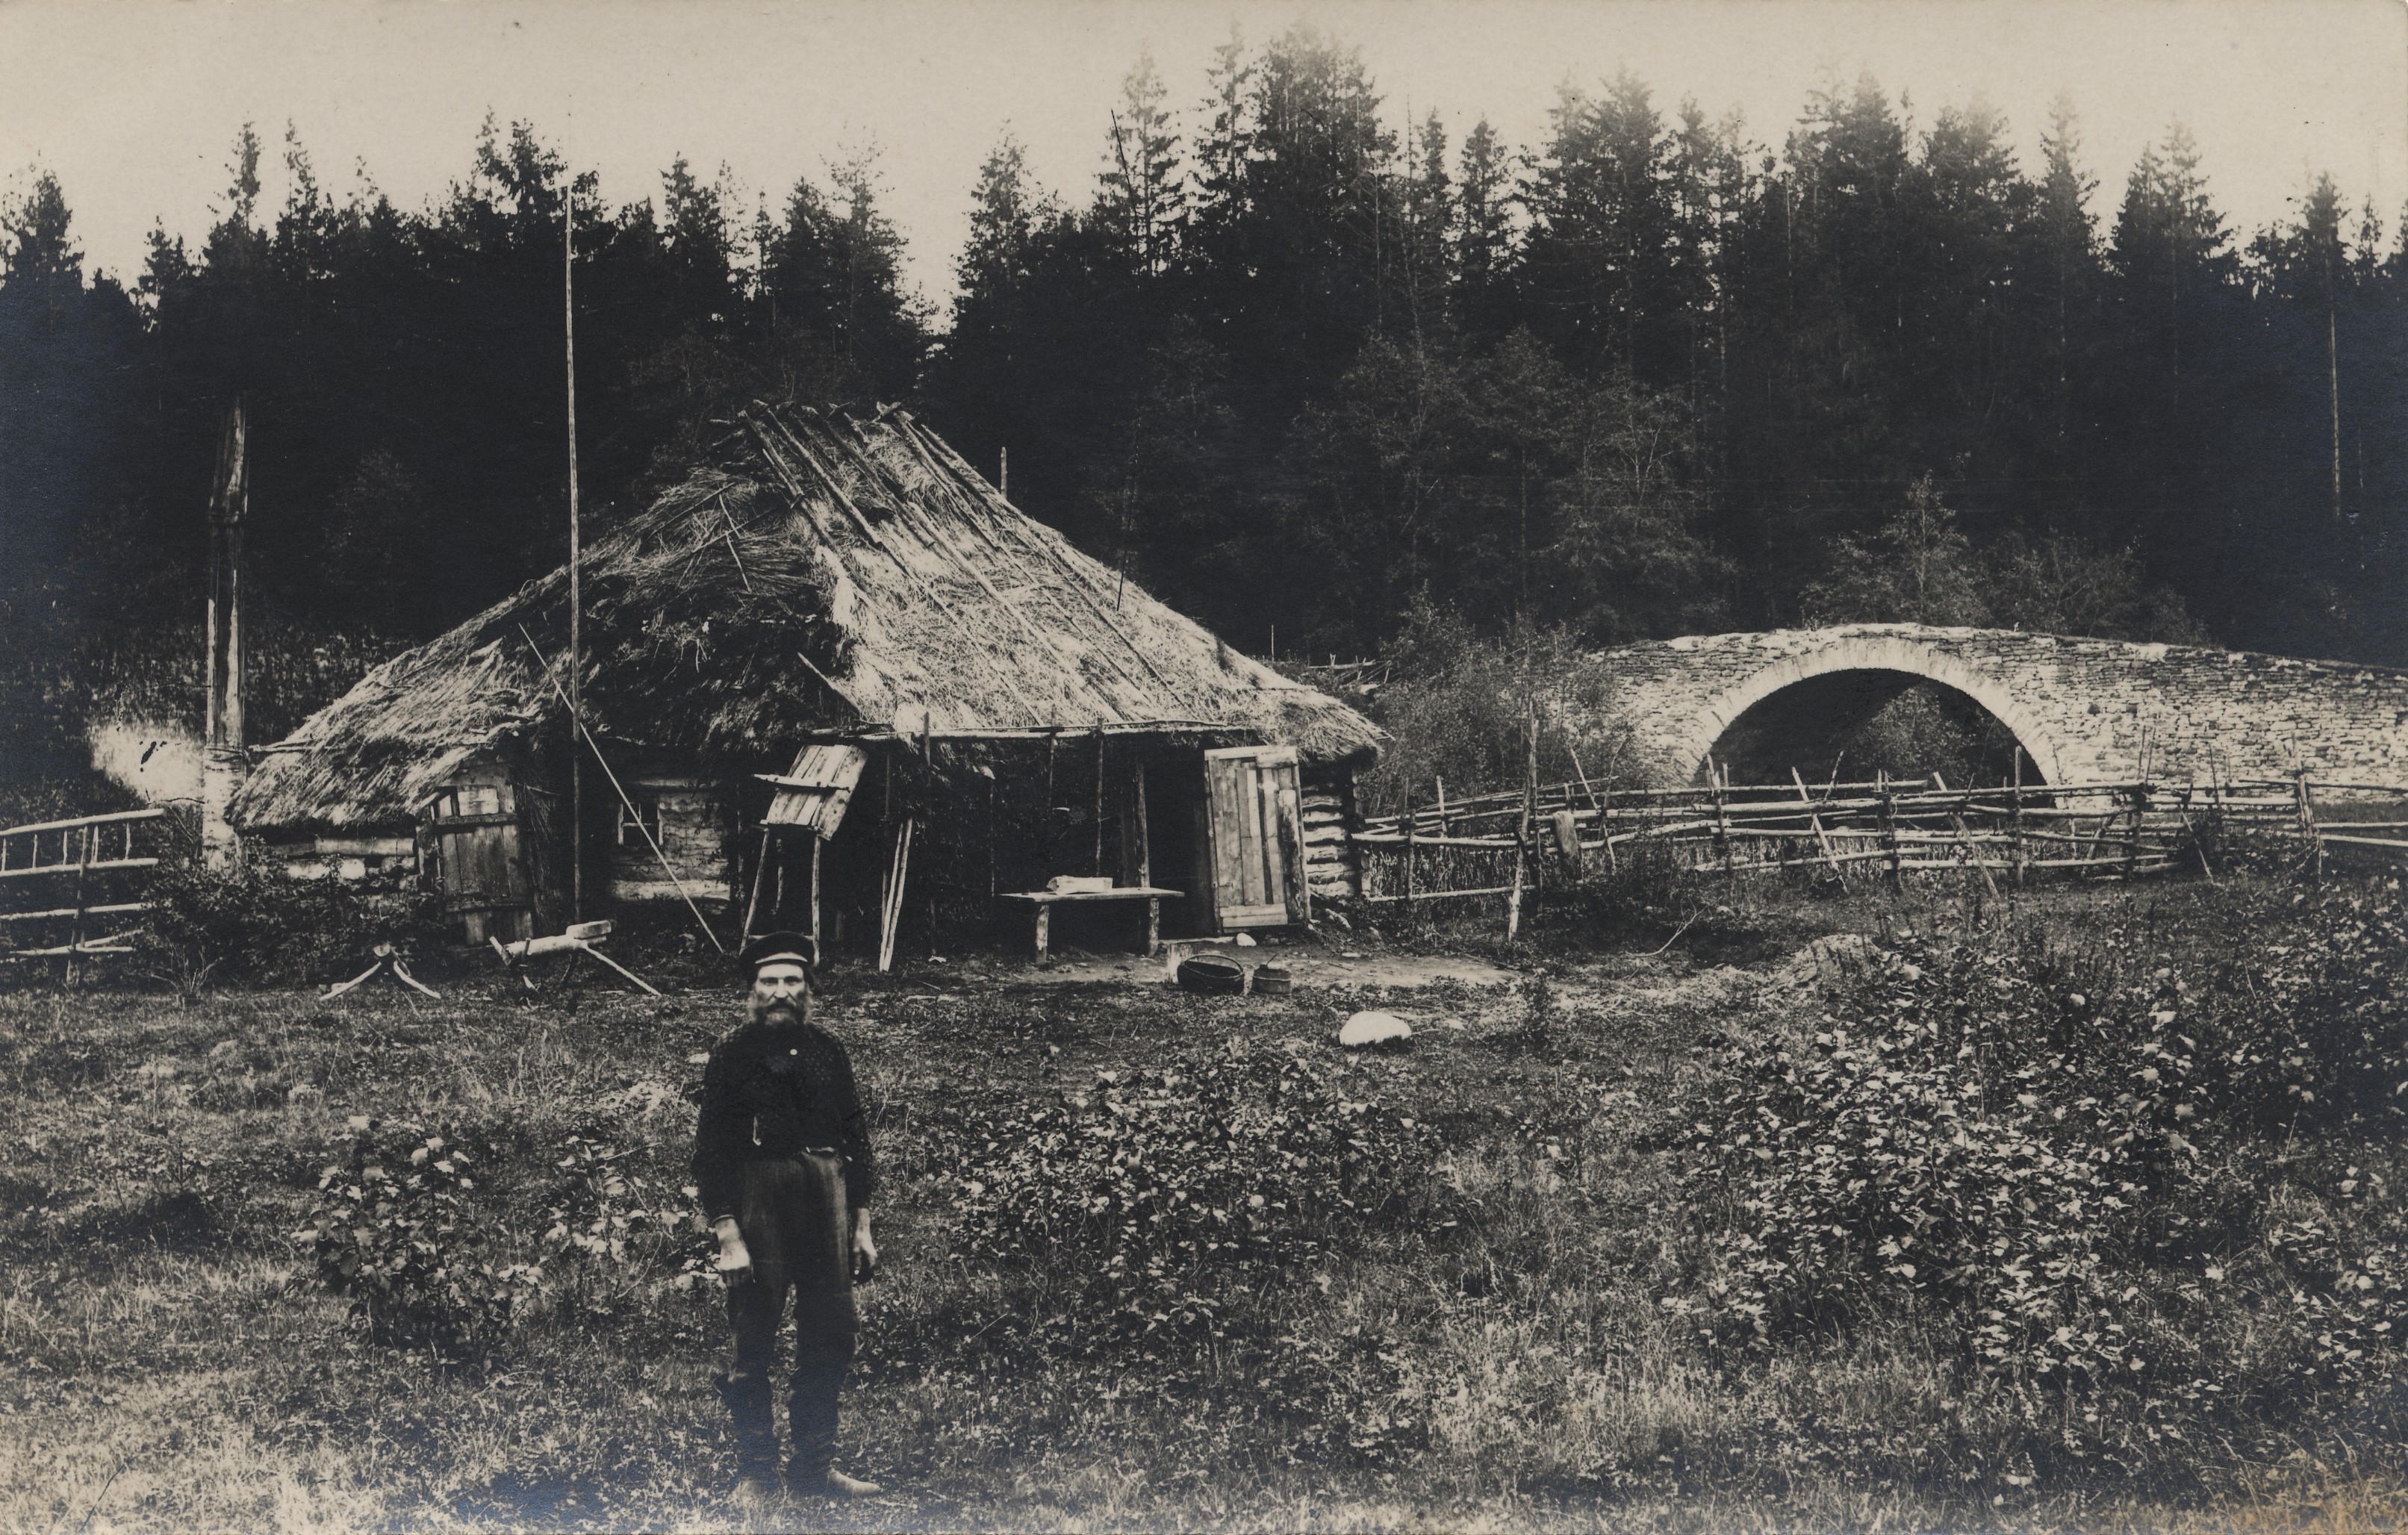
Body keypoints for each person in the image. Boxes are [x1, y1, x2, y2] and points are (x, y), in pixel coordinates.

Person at [692, 930, 881, 1500]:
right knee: (753, 1338)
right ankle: (755, 1473)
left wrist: (861, 1224)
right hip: (760, 1200)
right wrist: (728, 1232)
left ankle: (813, 1467)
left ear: (808, 988)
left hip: (827, 1198)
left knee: (831, 1334)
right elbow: (712, 1148)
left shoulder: (828, 1050)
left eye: (791, 981)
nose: (780, 992)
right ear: (751, 991)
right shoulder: (732, 1055)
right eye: (768, 982)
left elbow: (856, 1139)